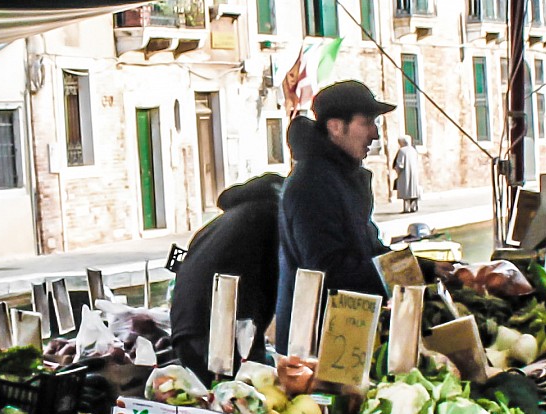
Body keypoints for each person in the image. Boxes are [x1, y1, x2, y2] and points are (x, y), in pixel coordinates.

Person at [276, 79, 395, 344]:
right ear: (336, 127)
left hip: (346, 331)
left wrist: (425, 270)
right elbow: (331, 270)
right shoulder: (312, 183)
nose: (374, 135)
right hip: (316, 342)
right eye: (366, 123)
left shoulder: (343, 178)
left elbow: (370, 249)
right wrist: (400, 276)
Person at [167, 173, 284, 375]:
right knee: (248, 397)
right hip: (220, 334)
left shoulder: (221, 223)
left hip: (186, 332)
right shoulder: (271, 218)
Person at [390, 133, 423, 215]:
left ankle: (406, 208)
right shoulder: (413, 150)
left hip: (405, 174)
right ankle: (414, 207)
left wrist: (397, 170)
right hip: (414, 173)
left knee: (406, 192)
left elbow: (400, 164)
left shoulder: (402, 151)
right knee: (413, 191)